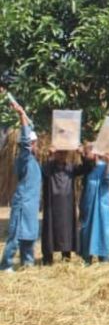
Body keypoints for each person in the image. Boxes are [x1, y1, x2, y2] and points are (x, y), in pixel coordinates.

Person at [0, 98, 41, 271]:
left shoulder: (33, 161)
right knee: (16, 236)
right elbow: (24, 140)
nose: (34, 145)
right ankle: (6, 265)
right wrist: (21, 115)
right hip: (23, 203)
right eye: (32, 143)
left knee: (29, 236)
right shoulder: (24, 158)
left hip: (31, 205)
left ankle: (27, 263)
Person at [40, 143, 88, 264]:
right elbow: (43, 172)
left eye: (64, 153)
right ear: (55, 154)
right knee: (50, 230)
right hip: (51, 204)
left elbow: (86, 168)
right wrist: (49, 156)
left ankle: (66, 257)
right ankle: (47, 258)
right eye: (59, 152)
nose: (61, 155)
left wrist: (82, 154)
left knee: (67, 230)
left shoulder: (71, 168)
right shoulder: (49, 167)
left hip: (67, 205)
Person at [79, 144, 109, 264]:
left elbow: (108, 180)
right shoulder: (88, 168)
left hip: (102, 205)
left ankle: (104, 258)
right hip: (88, 204)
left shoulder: (105, 166)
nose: (86, 153)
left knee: (103, 230)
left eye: (87, 151)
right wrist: (80, 153)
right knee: (86, 229)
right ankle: (86, 258)